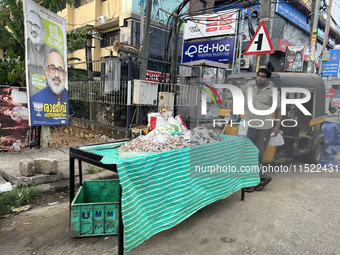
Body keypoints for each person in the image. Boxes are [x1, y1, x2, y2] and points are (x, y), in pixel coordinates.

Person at [240, 68, 282, 192]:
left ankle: (253, 182)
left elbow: (279, 110)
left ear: (267, 78)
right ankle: (262, 177)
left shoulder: (273, 92)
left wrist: (277, 126)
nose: (259, 78)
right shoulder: (248, 88)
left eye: (263, 76)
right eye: (258, 75)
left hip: (264, 128)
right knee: (247, 153)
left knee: (257, 155)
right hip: (248, 126)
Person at [30, 48, 68, 124]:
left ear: (65, 75)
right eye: (52, 68)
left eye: (60, 70)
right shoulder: (35, 99)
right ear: (46, 70)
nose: (56, 75)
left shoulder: (67, 96)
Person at [26, 10, 51, 96]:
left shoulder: (51, 53)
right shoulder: (26, 46)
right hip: (30, 99)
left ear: (43, 32)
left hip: (46, 100)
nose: (33, 29)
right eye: (30, 24)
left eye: (36, 26)